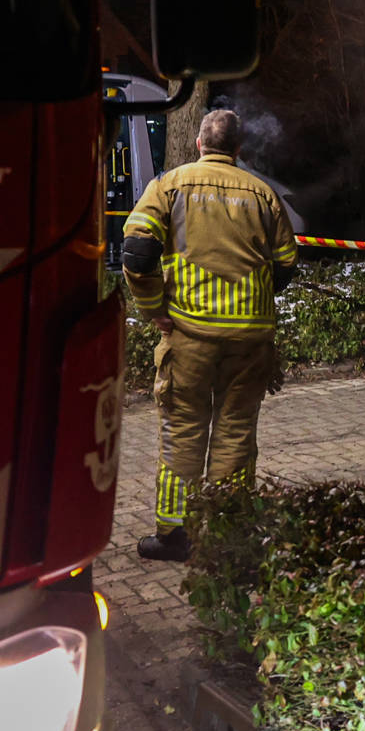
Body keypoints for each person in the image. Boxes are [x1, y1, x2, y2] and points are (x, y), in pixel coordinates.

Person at [120, 108, 299, 561]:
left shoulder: (169, 185)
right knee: (236, 433)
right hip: (249, 341)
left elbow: (138, 251)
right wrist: (255, 300)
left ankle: (175, 536)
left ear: (199, 143)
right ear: (238, 150)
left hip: (190, 335)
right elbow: (285, 264)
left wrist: (153, 307)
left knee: (183, 431)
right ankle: (226, 535)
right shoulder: (264, 196)